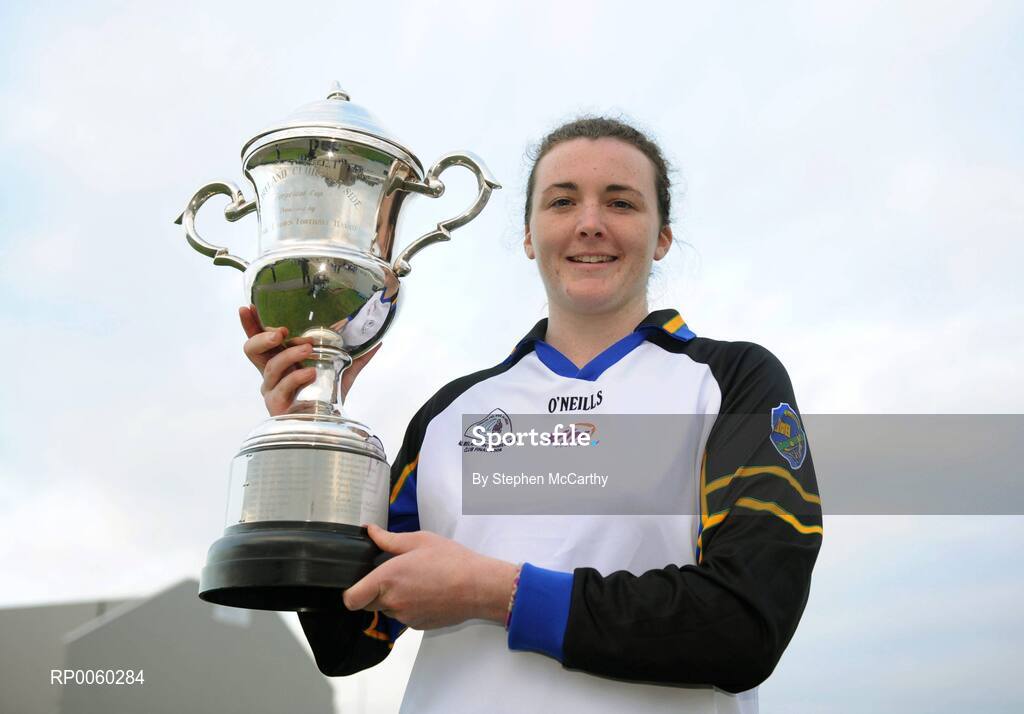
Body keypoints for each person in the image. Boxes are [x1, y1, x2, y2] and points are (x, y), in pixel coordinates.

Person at [240, 117, 823, 713]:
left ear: (663, 237)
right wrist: (306, 440)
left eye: (620, 202)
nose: (589, 223)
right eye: (562, 201)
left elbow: (746, 624)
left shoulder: (734, 381)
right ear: (528, 234)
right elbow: (346, 644)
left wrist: (497, 593)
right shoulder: (448, 414)